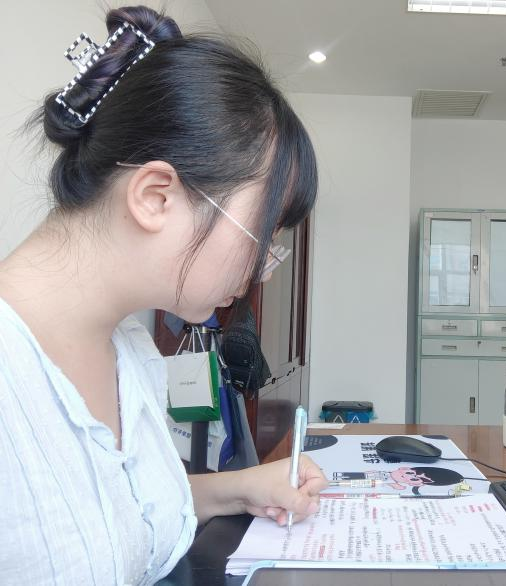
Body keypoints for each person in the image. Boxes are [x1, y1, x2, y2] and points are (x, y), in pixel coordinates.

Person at [0, 6, 327, 585]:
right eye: (262, 236)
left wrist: (240, 488)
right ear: (155, 197)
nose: (262, 271)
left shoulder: (129, 350)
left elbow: (113, 518)